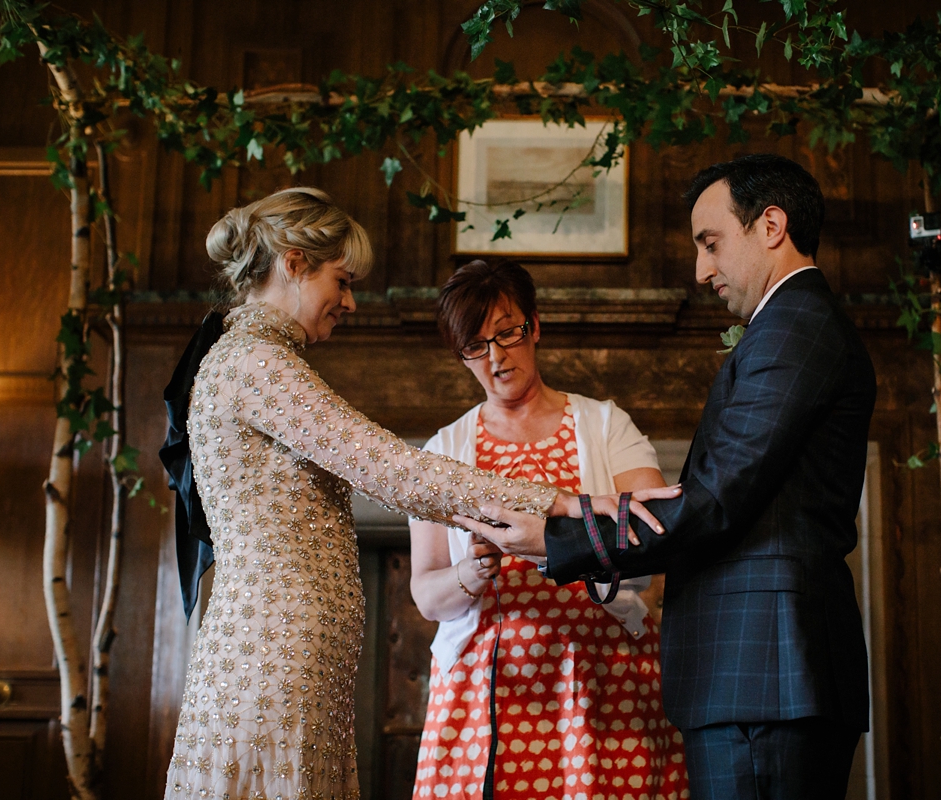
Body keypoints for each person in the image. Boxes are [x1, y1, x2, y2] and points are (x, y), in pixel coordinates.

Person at [160, 188, 675, 800]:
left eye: (508, 335)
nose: (349, 301)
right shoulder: (254, 364)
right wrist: (562, 502)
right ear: (294, 262)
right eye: (342, 280)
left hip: (294, 648)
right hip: (274, 647)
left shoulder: (257, 359)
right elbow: (393, 470)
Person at [461, 154, 878, 800]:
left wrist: (557, 539)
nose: (700, 270)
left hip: (763, 676)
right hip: (759, 678)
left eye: (711, 244)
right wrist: (572, 513)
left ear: (772, 225)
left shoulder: (795, 329)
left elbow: (712, 502)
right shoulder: (788, 327)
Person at [408, 261, 690, 800]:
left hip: (602, 679)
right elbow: (427, 594)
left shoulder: (605, 425)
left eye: (507, 333)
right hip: (483, 691)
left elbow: (653, 539)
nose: (495, 356)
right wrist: (469, 571)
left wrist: (554, 543)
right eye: (475, 345)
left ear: (534, 327)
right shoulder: (442, 452)